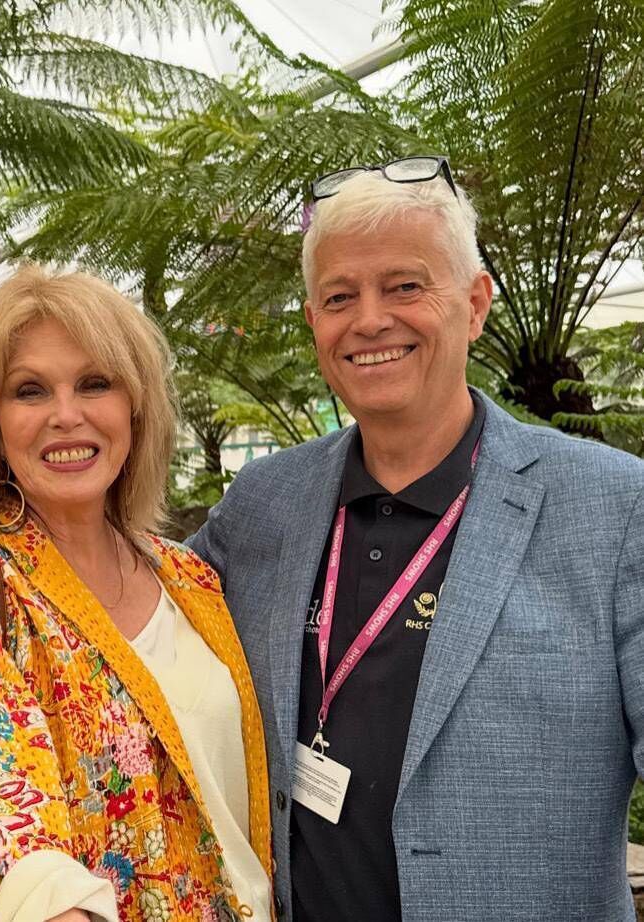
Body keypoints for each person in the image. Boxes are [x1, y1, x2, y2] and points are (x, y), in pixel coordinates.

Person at [186, 159, 644, 920]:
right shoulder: (264, 504)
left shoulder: (613, 508)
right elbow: (132, 612)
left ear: (474, 304)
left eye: (404, 286)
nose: (369, 320)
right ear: (314, 325)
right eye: (340, 297)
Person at [0, 266, 273, 922]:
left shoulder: (191, 580)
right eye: (29, 391)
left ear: (134, 407)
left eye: (94, 383)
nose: (66, 415)